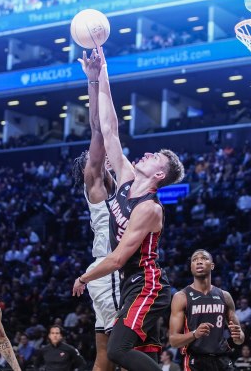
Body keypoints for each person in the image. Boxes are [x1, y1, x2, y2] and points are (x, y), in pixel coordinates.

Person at [72, 47, 185, 371]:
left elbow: (119, 258)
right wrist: (100, 74)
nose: (146, 154)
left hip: (139, 279)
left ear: (159, 175)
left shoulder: (149, 207)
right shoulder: (123, 178)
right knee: (123, 352)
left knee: (118, 351)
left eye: (154, 157)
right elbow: (107, 128)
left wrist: (84, 276)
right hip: (125, 278)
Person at [72, 48, 120, 371]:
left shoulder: (114, 189)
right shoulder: (97, 185)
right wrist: (94, 80)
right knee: (127, 348)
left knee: (104, 354)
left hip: (104, 273)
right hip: (110, 271)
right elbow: (99, 129)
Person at [168, 249, 244, 370]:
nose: (199, 261)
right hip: (196, 360)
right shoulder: (181, 297)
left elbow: (239, 339)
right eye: (195, 260)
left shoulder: (225, 296)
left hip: (222, 359)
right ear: (191, 267)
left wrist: (238, 336)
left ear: (212, 265)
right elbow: (173, 341)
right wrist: (195, 334)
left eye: (204, 258)